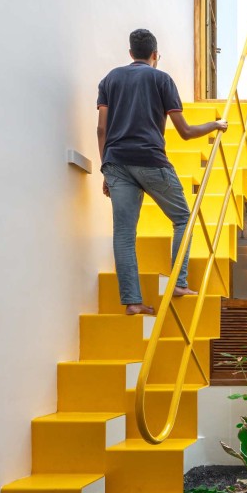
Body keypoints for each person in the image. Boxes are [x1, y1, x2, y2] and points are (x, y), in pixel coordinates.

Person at [97, 29, 227, 316]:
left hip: (116, 163)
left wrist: (106, 170)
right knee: (183, 218)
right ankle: (178, 283)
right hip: (150, 160)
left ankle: (132, 302)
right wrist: (216, 125)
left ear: (130, 53)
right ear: (155, 55)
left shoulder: (110, 80)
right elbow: (186, 132)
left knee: (123, 234)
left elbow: (101, 129)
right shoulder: (161, 79)